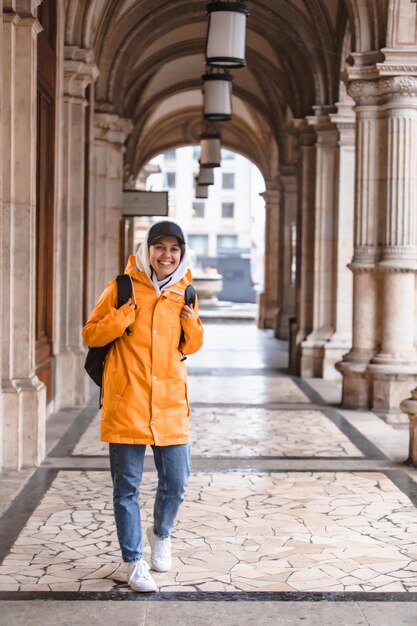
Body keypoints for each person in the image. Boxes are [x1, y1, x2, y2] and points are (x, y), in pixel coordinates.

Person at [82, 221, 204, 592]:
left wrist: (192, 322)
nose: (167, 255)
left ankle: (160, 534)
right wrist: (122, 317)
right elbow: (91, 334)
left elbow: (190, 346)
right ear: (147, 249)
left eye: (174, 249)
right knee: (126, 488)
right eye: (160, 247)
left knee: (177, 481)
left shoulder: (186, 292)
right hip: (128, 401)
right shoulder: (121, 287)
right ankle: (133, 562)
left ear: (181, 253)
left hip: (169, 403)